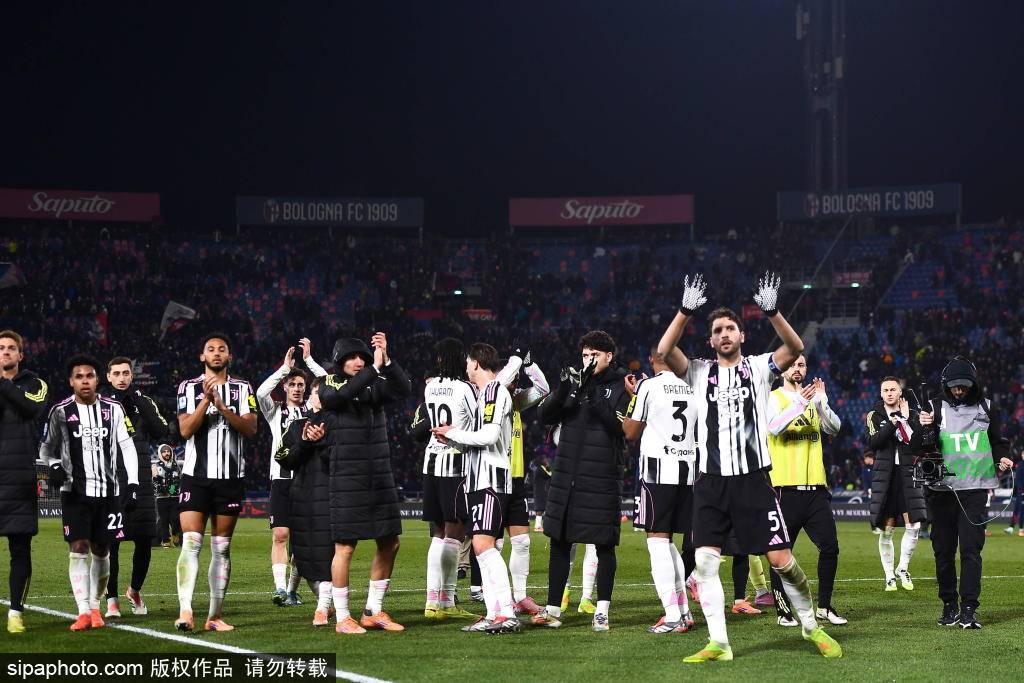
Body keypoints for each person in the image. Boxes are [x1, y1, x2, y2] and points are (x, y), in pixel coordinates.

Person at [657, 273, 842, 662]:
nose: (724, 334)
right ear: (710, 340)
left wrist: (772, 312)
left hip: (754, 481)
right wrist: (685, 311)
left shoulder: (759, 367)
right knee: (705, 562)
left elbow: (795, 346)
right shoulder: (698, 372)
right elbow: (664, 348)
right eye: (717, 331)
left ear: (742, 335)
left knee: (782, 561)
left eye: (730, 328)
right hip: (710, 482)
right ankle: (719, 643)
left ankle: (811, 626)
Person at [532, 330, 630, 632]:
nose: (588, 360)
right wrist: (564, 389)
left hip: (602, 477)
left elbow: (620, 428)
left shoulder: (622, 385)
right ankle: (552, 609)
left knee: (604, 544)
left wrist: (593, 396)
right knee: (560, 541)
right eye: (585, 355)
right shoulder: (574, 383)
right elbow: (544, 416)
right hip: (567, 477)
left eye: (594, 355)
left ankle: (602, 610)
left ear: (609, 356)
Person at [40, 354, 140, 631]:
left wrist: (133, 484)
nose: (85, 381)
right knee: (78, 547)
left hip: (108, 492)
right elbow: (46, 448)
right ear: (71, 381)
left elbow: (127, 446)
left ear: (97, 380)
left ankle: (96, 608)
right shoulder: (61, 411)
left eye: (90, 376)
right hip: (74, 492)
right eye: (79, 376)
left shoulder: (113, 409)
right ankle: (84, 611)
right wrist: (54, 464)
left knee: (102, 549)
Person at [320, 333, 410, 635]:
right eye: (352, 357)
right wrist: (374, 369)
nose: (359, 362)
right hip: (347, 476)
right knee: (345, 547)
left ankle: (373, 610)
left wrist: (389, 361)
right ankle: (343, 617)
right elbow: (340, 397)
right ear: (339, 361)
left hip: (379, 476)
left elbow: (404, 388)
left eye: (363, 357)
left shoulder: (375, 383)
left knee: (390, 542)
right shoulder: (330, 384)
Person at [920, 357, 1017, 629]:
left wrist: (1001, 457)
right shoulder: (934, 408)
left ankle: (969, 609)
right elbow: (919, 447)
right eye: (954, 386)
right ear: (945, 384)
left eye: (964, 386)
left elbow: (998, 441)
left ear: (974, 384)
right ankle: (949, 604)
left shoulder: (987, 407)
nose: (959, 390)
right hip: (941, 491)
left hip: (974, 489)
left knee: (971, 550)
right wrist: (925, 426)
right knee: (943, 552)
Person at [432, 342, 521, 635]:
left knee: (483, 546)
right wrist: (452, 439)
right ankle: (495, 613)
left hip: (490, 480)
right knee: (483, 548)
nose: (466, 367)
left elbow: (490, 436)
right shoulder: (486, 394)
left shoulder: (494, 391)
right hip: (480, 479)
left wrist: (455, 432)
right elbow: (480, 440)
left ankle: (506, 613)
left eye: (468, 362)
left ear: (476, 363)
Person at [174, 332, 258, 632]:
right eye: (210, 349)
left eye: (222, 349)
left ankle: (214, 617)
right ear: (202, 356)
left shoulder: (243, 388)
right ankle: (185, 611)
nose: (217, 353)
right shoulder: (188, 387)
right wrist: (205, 402)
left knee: (221, 548)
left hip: (230, 479)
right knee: (191, 542)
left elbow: (250, 429)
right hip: (195, 477)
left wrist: (222, 407)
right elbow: (185, 430)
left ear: (229, 356)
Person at [765, 356, 846, 626]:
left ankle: (824, 606)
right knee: (780, 552)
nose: (797, 369)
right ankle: (783, 610)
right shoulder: (773, 398)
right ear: (782, 370)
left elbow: (834, 428)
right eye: (792, 365)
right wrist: (800, 403)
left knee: (830, 547)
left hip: (816, 490)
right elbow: (774, 428)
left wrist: (821, 403)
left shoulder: (813, 399)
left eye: (801, 365)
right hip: (784, 489)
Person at [622, 345, 695, 634]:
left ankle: (672, 615)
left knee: (656, 542)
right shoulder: (691, 387)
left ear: (652, 359)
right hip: (687, 472)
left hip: (657, 472)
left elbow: (630, 432)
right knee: (668, 542)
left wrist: (634, 398)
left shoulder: (648, 387)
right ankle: (684, 611)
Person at [255, 338, 327, 607]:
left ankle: (292, 590)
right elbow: (261, 392)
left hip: (308, 480)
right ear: (284, 386)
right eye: (292, 384)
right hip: (281, 479)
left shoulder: (312, 409)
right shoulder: (275, 411)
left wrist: (309, 361)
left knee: (304, 541)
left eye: (300, 385)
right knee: (280, 534)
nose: (297, 389)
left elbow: (329, 383)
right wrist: (284, 369)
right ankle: (280, 589)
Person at [414, 338, 478, 620]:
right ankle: (447, 601)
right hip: (455, 462)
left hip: (431, 462)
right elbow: (477, 423)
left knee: (438, 533)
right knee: (455, 531)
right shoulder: (465, 388)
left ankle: (431, 602)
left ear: (440, 359)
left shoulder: (430, 388)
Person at [101, 356, 170, 619]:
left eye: (126, 373)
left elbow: (162, 430)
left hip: (141, 483)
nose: (121, 378)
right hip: (111, 483)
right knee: (111, 544)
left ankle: (134, 590)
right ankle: (112, 601)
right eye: (116, 373)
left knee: (144, 541)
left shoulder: (143, 401)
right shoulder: (100, 405)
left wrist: (139, 401)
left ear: (132, 375)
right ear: (108, 377)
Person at [274, 377, 335, 626]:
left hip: (331, 496)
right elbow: (283, 457)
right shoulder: (297, 426)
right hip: (301, 498)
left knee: (327, 554)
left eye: (324, 391)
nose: (318, 396)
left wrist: (323, 442)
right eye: (316, 391)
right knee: (301, 555)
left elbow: (345, 458)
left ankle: (324, 607)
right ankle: (325, 602)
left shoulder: (339, 425)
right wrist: (305, 442)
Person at [496, 343, 550, 616]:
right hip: (493, 479)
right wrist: (516, 358)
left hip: (515, 480)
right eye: (513, 378)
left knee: (522, 542)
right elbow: (500, 382)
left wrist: (528, 366)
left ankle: (520, 597)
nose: (515, 383)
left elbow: (543, 389)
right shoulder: (489, 395)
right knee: (493, 545)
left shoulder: (516, 400)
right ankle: (496, 599)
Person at [0, 330, 48, 633]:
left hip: (19, 479)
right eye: (0, 348)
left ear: (20, 355)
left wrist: (3, 383)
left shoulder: (35, 384)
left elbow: (31, 408)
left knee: (20, 549)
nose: (5, 352)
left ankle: (15, 612)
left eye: (10, 348)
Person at [865, 376, 929, 591]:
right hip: (886, 478)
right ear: (881, 393)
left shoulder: (913, 414)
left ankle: (903, 568)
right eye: (886, 390)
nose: (889, 393)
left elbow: (918, 444)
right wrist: (893, 423)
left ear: (900, 392)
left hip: (908, 475)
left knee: (914, 526)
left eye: (893, 389)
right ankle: (889, 575)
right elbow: (873, 442)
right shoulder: (874, 415)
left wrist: (907, 419)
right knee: (887, 530)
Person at [153, 444, 181, 547]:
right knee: (163, 520)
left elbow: (179, 480)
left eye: (168, 451)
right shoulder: (155, 466)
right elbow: (154, 480)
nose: (166, 453)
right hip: (161, 498)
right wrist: (162, 488)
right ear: (160, 453)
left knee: (175, 518)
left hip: (174, 497)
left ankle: (175, 534)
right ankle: (166, 541)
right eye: (164, 452)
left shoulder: (176, 466)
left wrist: (172, 489)